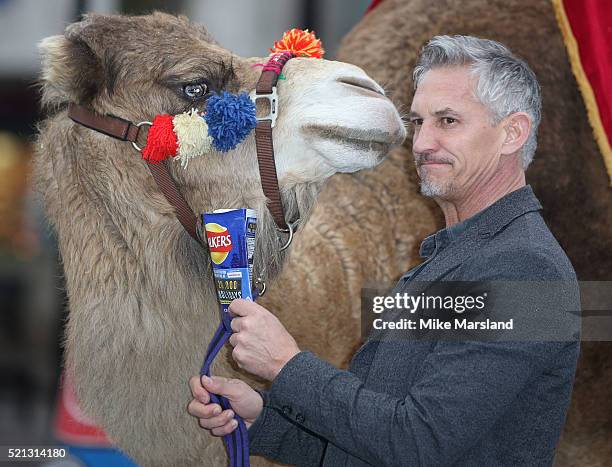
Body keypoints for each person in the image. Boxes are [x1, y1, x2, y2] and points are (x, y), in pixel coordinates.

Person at [187, 35, 580, 466]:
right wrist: (260, 421)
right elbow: (369, 440)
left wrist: (286, 364)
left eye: (447, 121)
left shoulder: (526, 271)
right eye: (418, 122)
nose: (422, 144)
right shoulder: (454, 257)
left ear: (513, 133)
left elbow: (417, 443)